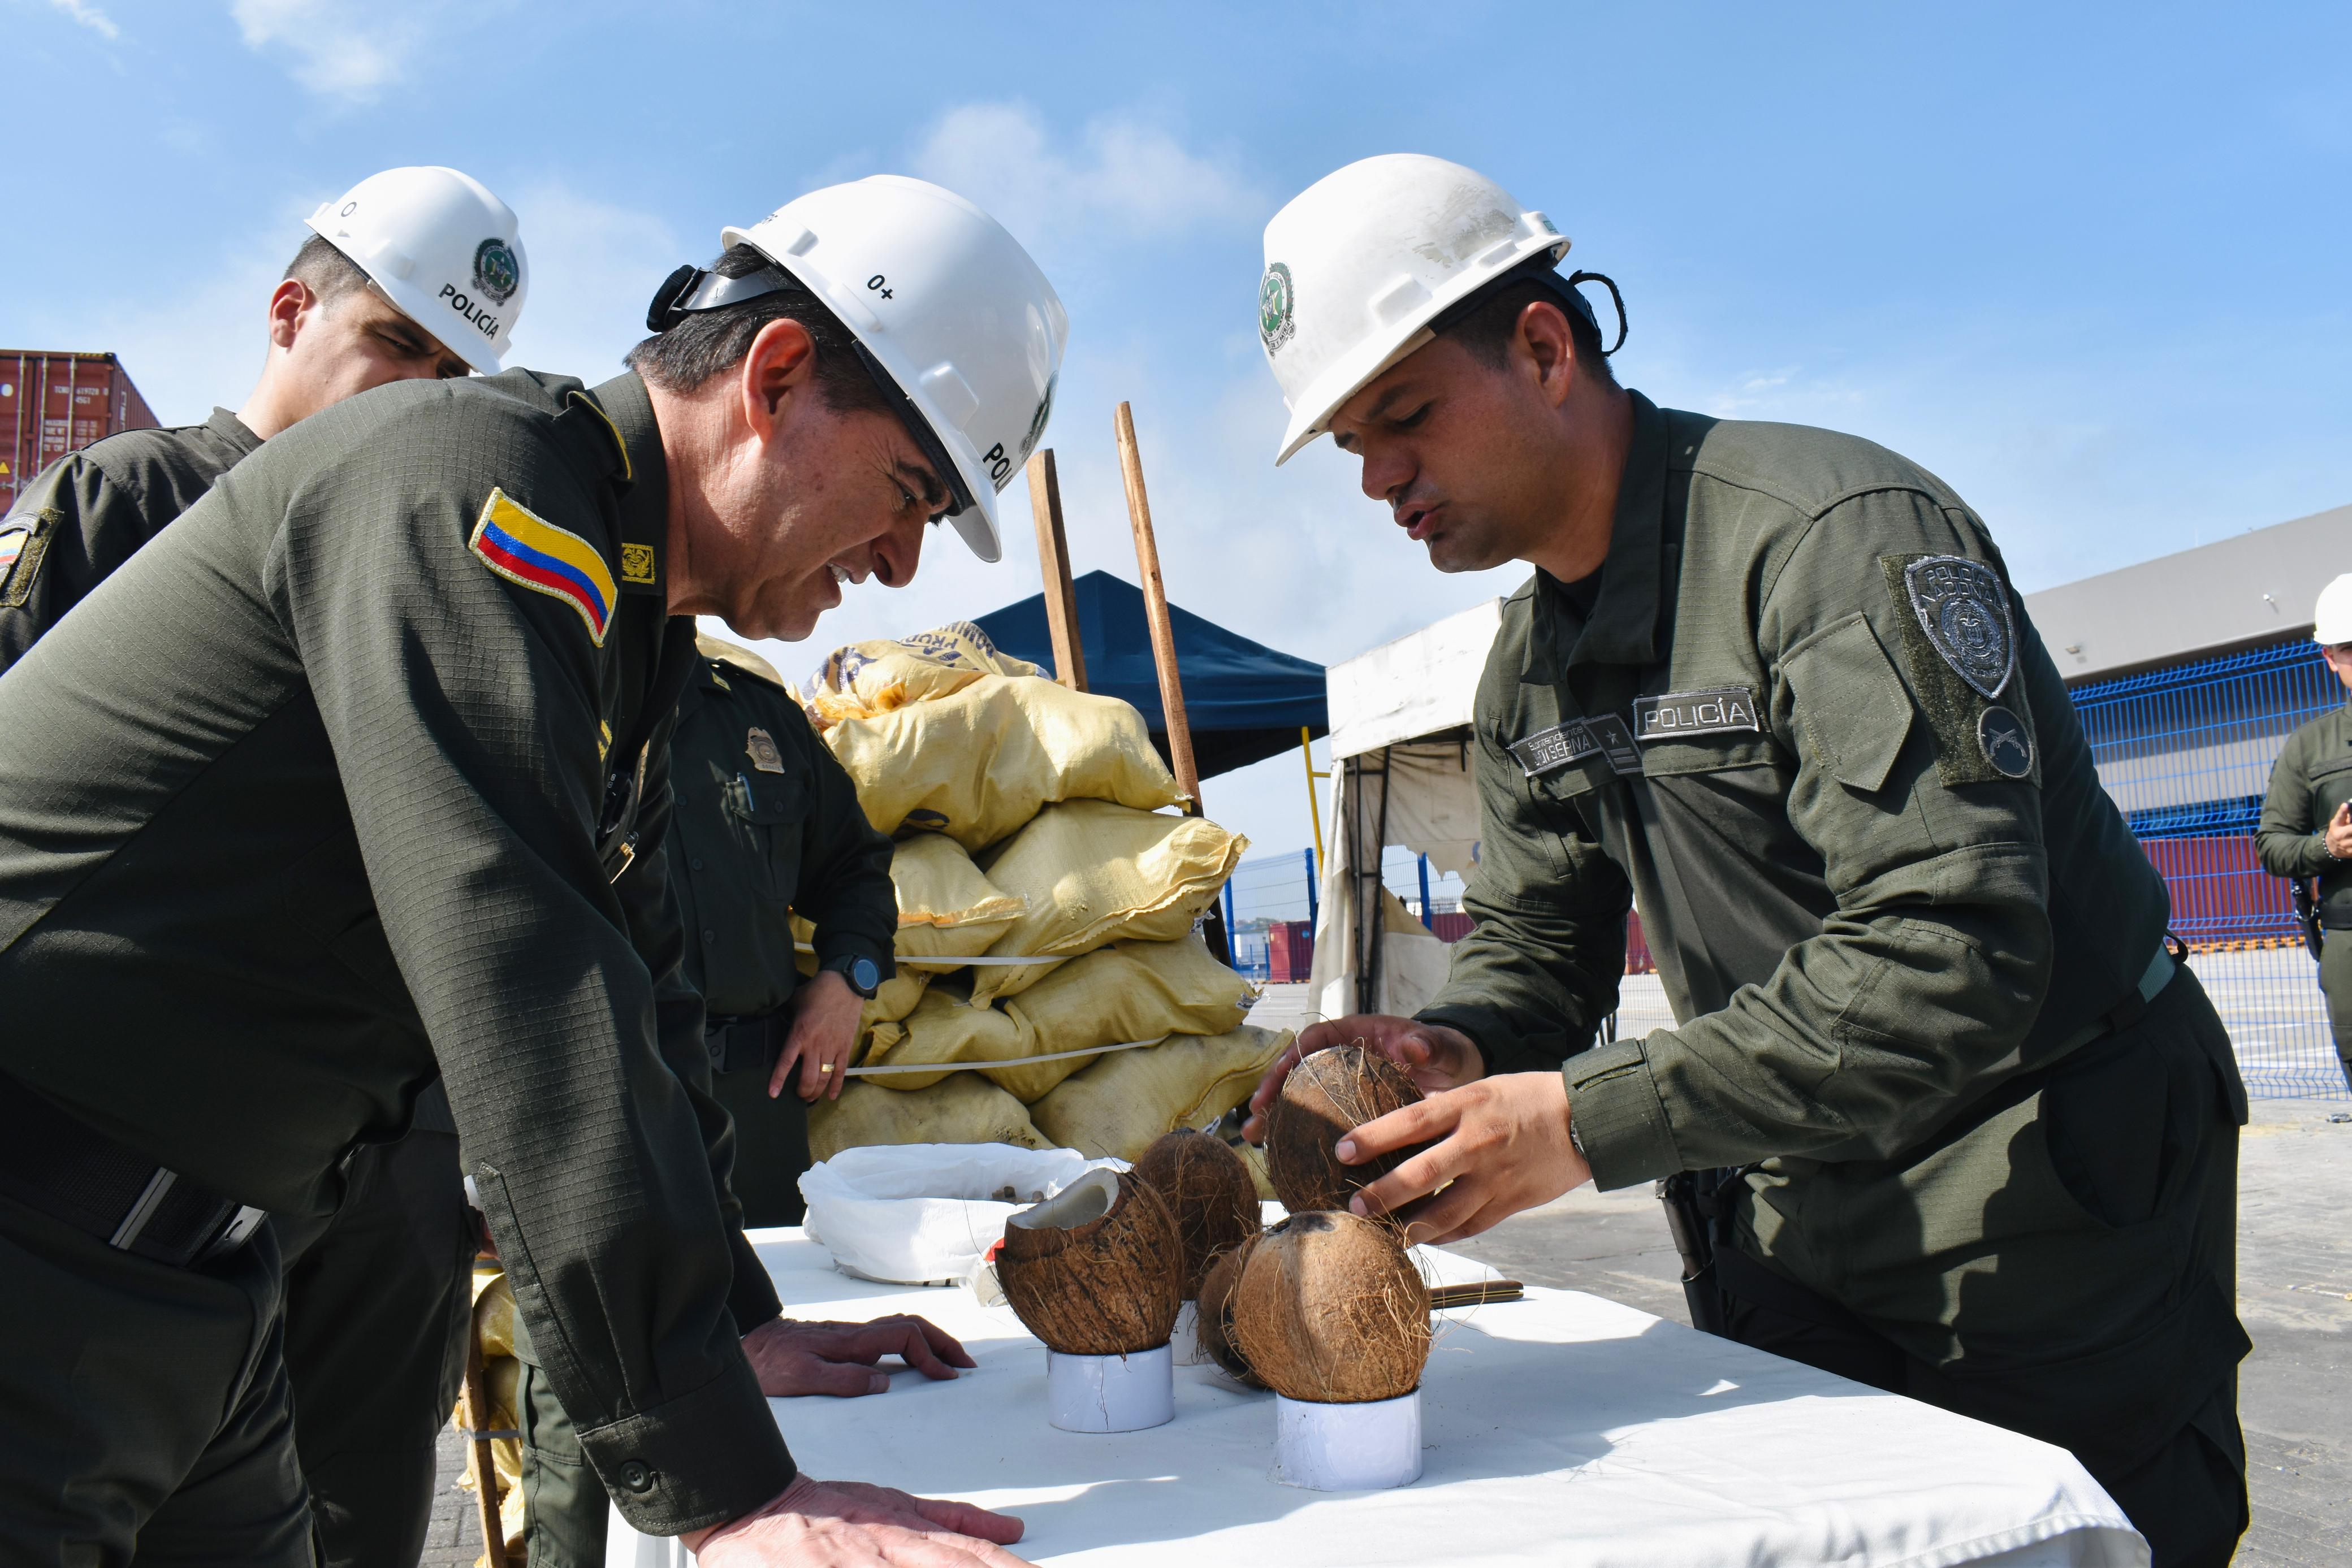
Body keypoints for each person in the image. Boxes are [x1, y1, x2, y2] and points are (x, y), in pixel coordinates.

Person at [0, 172, 1063, 1567]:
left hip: (196, 1267)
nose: (904, 558)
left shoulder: (623, 621)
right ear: (780, 376)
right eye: (911, 492)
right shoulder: (483, 490)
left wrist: (736, 1323)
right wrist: (728, 1487)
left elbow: (643, 994)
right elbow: (524, 965)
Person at [1240, 155, 2250, 1568]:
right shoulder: (1527, 675)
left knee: (2063, 1538)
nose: (1377, 478)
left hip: (2034, 1203)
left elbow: (1950, 950)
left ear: (1542, 349)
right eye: (1350, 444)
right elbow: (1540, 952)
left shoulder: (1829, 545)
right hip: (1781, 1204)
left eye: (1401, 416)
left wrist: (1582, 1120)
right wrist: (1452, 1048)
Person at [0, 164, 524, 1568]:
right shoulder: (127, 497)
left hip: (371, 1175)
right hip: (112, 1177)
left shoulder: (432, 587)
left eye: (456, 375)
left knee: (354, 1516)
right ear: (291, 310)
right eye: (398, 347)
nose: (423, 396)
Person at [511, 627, 940, 1567]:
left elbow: (856, 865)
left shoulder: (757, 716)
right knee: (594, 1363)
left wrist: (850, 978)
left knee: (767, 1342)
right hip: (615, 1096)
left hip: (758, 1094)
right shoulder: (568, 688)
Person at [2255, 572, 2352, 1091]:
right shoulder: (2310, 747)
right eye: (2351, 648)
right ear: (2330, 659)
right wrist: (2327, 846)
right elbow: (2272, 844)